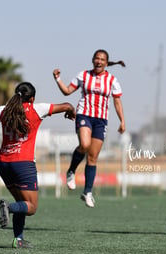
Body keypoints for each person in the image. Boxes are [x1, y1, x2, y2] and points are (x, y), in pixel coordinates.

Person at [0, 82, 75, 248]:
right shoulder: (37, 109)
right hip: (23, 164)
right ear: (32, 98)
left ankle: (18, 239)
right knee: (31, 207)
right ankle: (8, 207)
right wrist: (71, 112)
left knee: (21, 201)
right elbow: (66, 105)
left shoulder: (3, 110)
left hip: (4, 163)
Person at [52, 49, 126, 208]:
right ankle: (71, 171)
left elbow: (117, 101)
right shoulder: (83, 75)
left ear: (106, 63)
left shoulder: (112, 80)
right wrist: (57, 78)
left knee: (93, 157)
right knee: (84, 145)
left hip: (101, 120)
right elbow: (67, 91)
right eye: (96, 58)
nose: (99, 61)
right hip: (84, 115)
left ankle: (88, 192)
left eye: (102, 59)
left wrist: (122, 121)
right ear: (93, 60)